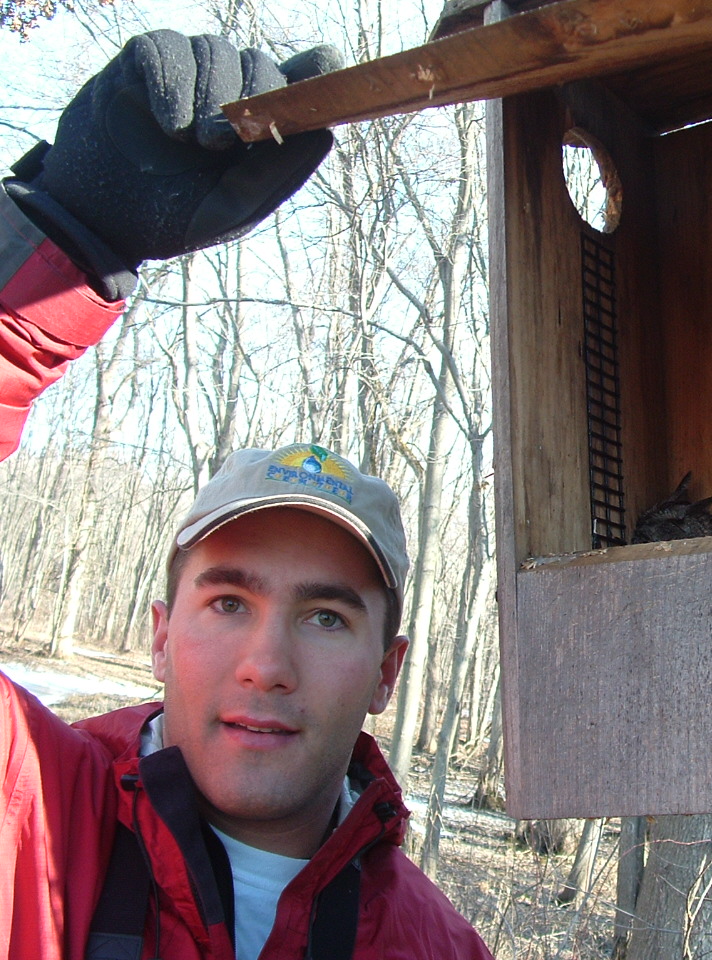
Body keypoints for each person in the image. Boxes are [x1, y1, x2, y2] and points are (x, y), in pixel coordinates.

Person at [0, 30, 494, 960]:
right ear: (159, 631)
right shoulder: (25, 813)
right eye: (229, 599)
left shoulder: (442, 949)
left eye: (325, 618)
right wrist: (68, 234)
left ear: (388, 674)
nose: (266, 664)